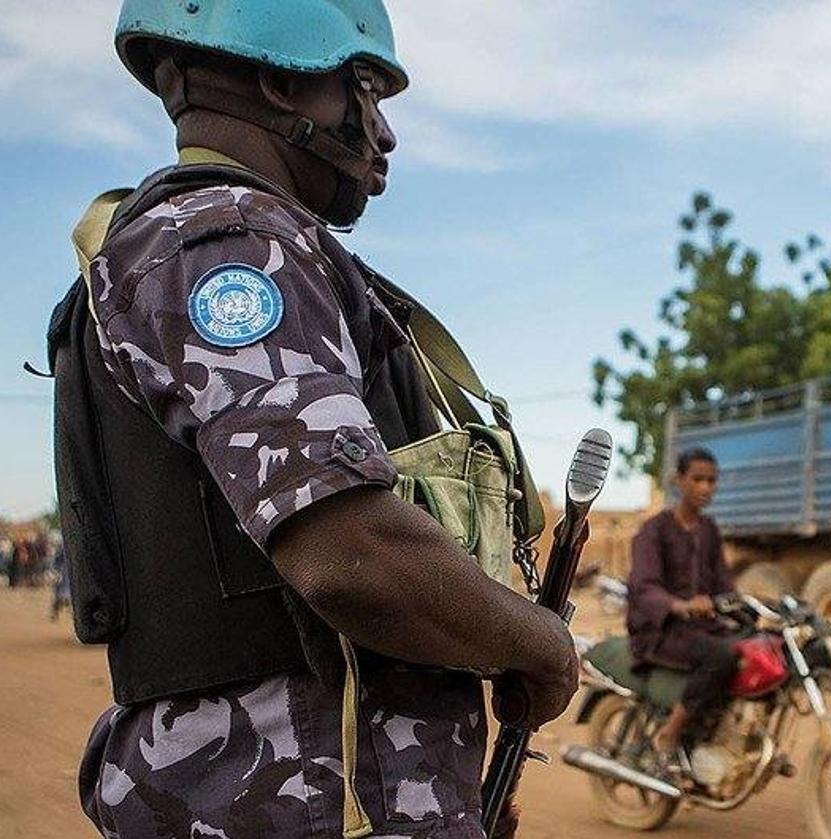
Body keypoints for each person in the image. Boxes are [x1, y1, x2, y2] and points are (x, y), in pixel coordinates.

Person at [50, 3, 576, 837]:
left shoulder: (225, 242)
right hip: (291, 805)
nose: (386, 135)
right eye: (369, 91)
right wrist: (540, 645)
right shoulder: (230, 244)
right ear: (282, 77)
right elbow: (348, 551)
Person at [626, 447, 739, 755]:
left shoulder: (709, 530)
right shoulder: (654, 530)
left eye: (712, 481)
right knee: (721, 656)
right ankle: (670, 731)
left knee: (753, 646)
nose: (706, 487)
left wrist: (746, 606)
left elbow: (724, 582)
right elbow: (644, 586)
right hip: (660, 631)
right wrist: (680, 606)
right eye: (698, 479)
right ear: (679, 481)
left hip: (701, 628)